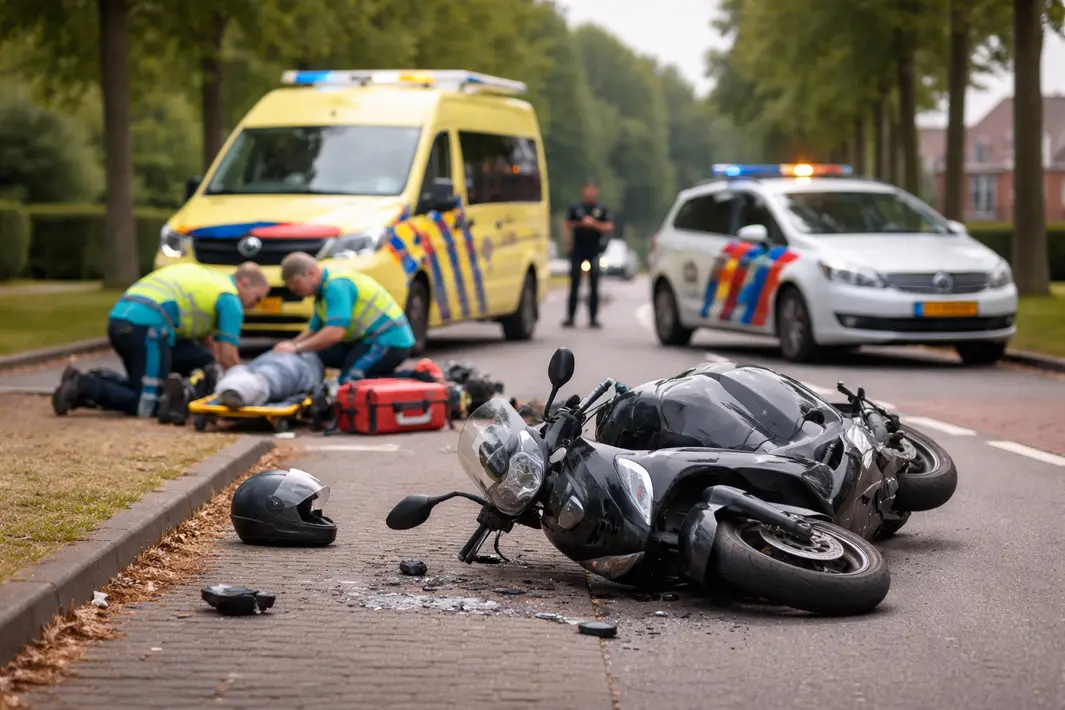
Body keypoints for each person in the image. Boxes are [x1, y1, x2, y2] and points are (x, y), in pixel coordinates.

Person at [51, 261, 270, 418]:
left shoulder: (213, 281)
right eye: (257, 298)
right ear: (244, 283)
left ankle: (90, 380)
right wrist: (242, 387)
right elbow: (228, 357)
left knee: (141, 385)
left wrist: (208, 359)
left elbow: (208, 347)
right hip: (148, 329)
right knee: (148, 405)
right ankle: (84, 386)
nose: (255, 305)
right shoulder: (230, 299)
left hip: (121, 321)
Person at [275, 252, 415, 384]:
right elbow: (313, 330)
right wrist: (289, 346)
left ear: (311, 273)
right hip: (368, 340)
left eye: (296, 284)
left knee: (350, 382)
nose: (294, 291)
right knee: (317, 354)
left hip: (388, 341)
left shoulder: (336, 286)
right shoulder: (321, 292)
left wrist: (297, 348)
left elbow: (335, 333)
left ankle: (417, 377)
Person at [562, 179, 613, 328]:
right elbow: (567, 224)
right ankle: (570, 317)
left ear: (596, 191)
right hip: (578, 249)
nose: (590, 192)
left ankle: (593, 318)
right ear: (583, 190)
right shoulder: (576, 207)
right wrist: (581, 224)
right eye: (587, 189)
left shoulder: (601, 208)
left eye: (592, 189)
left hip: (594, 250)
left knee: (594, 284)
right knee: (574, 283)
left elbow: (608, 227)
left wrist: (593, 224)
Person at [214, 350, 326, 409]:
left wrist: (296, 346)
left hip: (285, 365)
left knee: (270, 375)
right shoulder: (311, 367)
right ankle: (244, 386)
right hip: (282, 364)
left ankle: (243, 386)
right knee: (270, 374)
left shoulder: (311, 364)